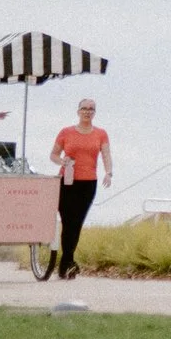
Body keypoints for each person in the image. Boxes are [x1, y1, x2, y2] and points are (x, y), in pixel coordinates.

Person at [48, 99, 112, 279]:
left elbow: (106, 154)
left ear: (95, 112)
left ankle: (67, 262)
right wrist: (62, 161)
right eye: (84, 108)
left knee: (77, 223)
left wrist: (109, 172)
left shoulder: (100, 133)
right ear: (78, 111)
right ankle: (68, 263)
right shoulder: (66, 132)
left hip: (88, 182)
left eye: (91, 109)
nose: (87, 112)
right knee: (68, 222)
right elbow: (53, 154)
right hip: (67, 181)